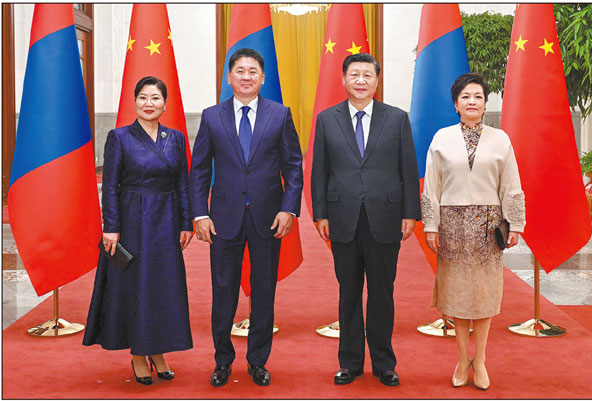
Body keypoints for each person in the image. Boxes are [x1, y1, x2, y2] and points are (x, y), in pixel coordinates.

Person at [190, 48, 303, 387]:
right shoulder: (212, 116)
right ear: (229, 77)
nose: (246, 76)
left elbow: (294, 167)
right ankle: (223, 360)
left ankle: (258, 361)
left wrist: (289, 208)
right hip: (223, 219)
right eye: (239, 71)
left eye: (253, 71)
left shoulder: (279, 114)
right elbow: (198, 170)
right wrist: (199, 213)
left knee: (264, 292)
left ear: (262, 77)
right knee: (223, 291)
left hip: (268, 218)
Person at [311, 53, 421, 386]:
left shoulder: (397, 118)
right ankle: (350, 362)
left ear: (377, 80)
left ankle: (384, 363)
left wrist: (410, 213)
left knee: (382, 293)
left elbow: (408, 169)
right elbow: (320, 171)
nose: (361, 80)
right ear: (343, 79)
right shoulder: (327, 119)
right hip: (342, 217)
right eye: (354, 74)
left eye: (367, 75)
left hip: (385, 217)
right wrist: (320, 213)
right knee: (348, 292)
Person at [83, 76, 194, 385]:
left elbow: (182, 183)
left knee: (163, 286)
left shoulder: (176, 138)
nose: (149, 104)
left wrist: (186, 222)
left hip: (167, 220)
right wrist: (112, 228)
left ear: (165, 104)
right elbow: (111, 187)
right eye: (143, 98)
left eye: (156, 98)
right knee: (135, 286)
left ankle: (157, 350)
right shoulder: (119, 137)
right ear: (135, 102)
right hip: (132, 220)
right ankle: (137, 354)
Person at [421, 72, 525, 390]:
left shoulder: (501, 139)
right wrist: (430, 224)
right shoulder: (441, 138)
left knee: (483, 297)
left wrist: (515, 222)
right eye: (466, 96)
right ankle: (461, 359)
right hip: (451, 226)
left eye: (478, 96)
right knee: (457, 297)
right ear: (456, 103)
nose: (472, 101)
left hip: (487, 226)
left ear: (485, 102)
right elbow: (432, 186)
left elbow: (510, 184)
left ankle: (480, 361)